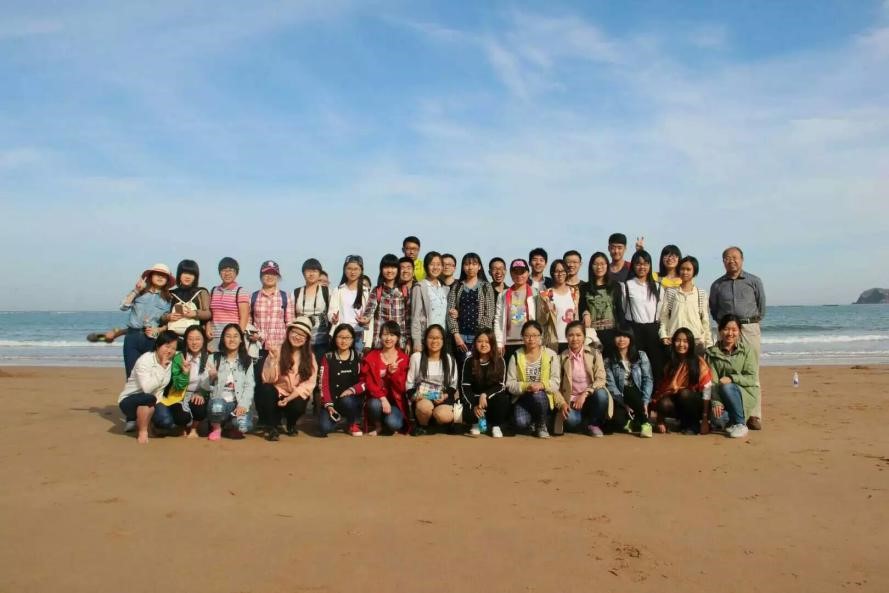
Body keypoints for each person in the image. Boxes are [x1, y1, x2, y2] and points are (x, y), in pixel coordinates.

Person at [709, 246, 766, 430]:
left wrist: (749, 323)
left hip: (748, 327)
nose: (731, 260)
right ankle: (731, 410)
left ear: (742, 259)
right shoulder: (717, 285)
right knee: (723, 371)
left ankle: (754, 415)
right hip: (726, 329)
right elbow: (714, 309)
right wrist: (725, 326)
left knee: (751, 371)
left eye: (735, 257)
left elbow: (761, 307)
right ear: (723, 261)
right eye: (727, 258)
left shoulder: (754, 281)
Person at [255, 317, 317, 441]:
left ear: (307, 339)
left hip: (294, 395)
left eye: (302, 335)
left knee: (300, 402)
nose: (298, 337)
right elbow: (267, 379)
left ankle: (291, 424)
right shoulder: (277, 351)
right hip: (277, 393)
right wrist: (273, 360)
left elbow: (308, 384)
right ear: (288, 332)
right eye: (295, 332)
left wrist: (288, 398)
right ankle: (272, 427)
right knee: (265, 389)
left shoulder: (310, 357)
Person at [117, 330, 178, 443]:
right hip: (130, 400)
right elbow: (147, 389)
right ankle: (143, 431)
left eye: (173, 348)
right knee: (148, 398)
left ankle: (149, 421)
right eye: (167, 346)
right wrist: (161, 367)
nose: (170, 351)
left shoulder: (170, 361)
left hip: (154, 400)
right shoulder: (145, 360)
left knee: (166, 422)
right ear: (158, 345)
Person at [706, 315, 759, 439]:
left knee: (727, 387)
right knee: (717, 419)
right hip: (722, 397)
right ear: (720, 331)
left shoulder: (747, 351)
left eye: (734, 330)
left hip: (744, 393)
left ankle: (740, 424)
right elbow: (712, 381)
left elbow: (751, 378)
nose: (730, 333)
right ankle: (733, 421)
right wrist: (716, 402)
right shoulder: (711, 353)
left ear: (739, 332)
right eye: (726, 329)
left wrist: (732, 378)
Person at [505, 321, 560, 438]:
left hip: (544, 397)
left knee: (538, 395)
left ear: (540, 336)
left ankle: (542, 424)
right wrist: (526, 386)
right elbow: (509, 384)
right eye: (527, 335)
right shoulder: (516, 356)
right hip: (523, 397)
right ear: (522, 337)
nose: (531, 339)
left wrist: (542, 385)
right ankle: (535, 422)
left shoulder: (551, 355)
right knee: (521, 422)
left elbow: (556, 382)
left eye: (535, 335)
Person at [653, 328, 713, 434]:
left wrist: (705, 419)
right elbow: (663, 390)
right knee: (664, 403)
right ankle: (682, 423)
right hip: (678, 402)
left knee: (685, 393)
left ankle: (693, 426)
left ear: (691, 344)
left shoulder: (698, 362)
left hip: (699, 404)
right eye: (678, 341)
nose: (681, 344)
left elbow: (707, 390)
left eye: (685, 341)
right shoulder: (670, 363)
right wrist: (660, 420)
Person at [118, 263, 174, 377]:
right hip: (132, 337)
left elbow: (170, 323)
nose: (160, 277)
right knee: (132, 375)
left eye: (164, 275)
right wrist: (136, 290)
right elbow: (123, 307)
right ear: (150, 276)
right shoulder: (140, 292)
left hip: (152, 339)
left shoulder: (169, 299)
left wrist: (158, 330)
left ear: (167, 280)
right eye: (157, 274)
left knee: (149, 376)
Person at [557, 321, 611, 437]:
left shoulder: (594, 354)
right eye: (571, 335)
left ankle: (593, 424)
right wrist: (562, 403)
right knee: (572, 421)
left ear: (584, 337)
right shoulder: (561, 357)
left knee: (602, 395)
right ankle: (584, 422)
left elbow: (601, 379)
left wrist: (585, 394)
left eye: (578, 335)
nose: (574, 339)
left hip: (591, 396)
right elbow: (557, 385)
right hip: (572, 401)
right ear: (566, 337)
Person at [620, 250, 666, 384]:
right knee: (636, 366)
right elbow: (624, 307)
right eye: (638, 264)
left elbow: (661, 311)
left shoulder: (658, 286)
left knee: (656, 365)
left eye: (646, 263)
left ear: (650, 266)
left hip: (653, 330)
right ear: (633, 266)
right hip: (634, 330)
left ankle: (656, 394)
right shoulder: (627, 286)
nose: (642, 267)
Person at [406, 325, 459, 435]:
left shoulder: (449, 359)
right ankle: (423, 425)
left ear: (443, 340)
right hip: (423, 399)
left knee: (443, 415)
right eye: (431, 337)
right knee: (424, 407)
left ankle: (443, 423)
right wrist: (415, 396)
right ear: (425, 340)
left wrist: (444, 395)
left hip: (443, 399)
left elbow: (453, 385)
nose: (434, 341)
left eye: (438, 338)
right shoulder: (416, 357)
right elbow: (409, 383)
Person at [205, 323, 255, 440]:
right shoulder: (214, 358)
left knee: (243, 426)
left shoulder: (247, 360)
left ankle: (230, 426)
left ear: (241, 340)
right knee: (217, 406)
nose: (232, 339)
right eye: (228, 336)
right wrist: (211, 377)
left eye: (235, 336)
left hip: (237, 404)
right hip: (218, 402)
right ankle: (216, 428)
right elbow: (204, 386)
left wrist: (243, 405)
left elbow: (249, 385)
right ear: (223, 339)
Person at [360, 321, 410, 435]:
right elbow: (368, 383)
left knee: (393, 423)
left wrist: (393, 374)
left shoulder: (403, 358)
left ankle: (388, 423)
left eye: (392, 335)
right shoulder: (371, 356)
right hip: (377, 399)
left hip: (396, 402)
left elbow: (402, 388)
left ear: (398, 337)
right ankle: (378, 426)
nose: (388, 338)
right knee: (374, 404)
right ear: (380, 336)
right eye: (385, 334)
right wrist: (383, 399)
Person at [161, 325, 211, 437]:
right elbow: (176, 385)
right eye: (190, 339)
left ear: (203, 340)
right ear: (186, 341)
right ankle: (182, 427)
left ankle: (194, 429)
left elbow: (211, 384)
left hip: (199, 394)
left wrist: (201, 393)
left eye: (198, 339)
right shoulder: (179, 357)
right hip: (179, 394)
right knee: (181, 417)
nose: (194, 342)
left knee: (199, 407)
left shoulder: (209, 357)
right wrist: (184, 373)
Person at [605, 326, 654, 438]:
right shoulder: (609, 360)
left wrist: (645, 401)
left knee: (630, 389)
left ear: (631, 338)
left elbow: (648, 379)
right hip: (619, 397)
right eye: (618, 336)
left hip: (638, 395)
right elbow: (611, 385)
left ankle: (645, 423)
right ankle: (636, 421)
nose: (621, 339)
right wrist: (624, 404)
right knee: (618, 422)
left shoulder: (641, 355)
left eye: (625, 336)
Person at [318, 324, 366, 437]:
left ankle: (352, 423)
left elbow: (365, 381)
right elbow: (323, 383)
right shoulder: (328, 357)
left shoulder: (359, 357)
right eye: (340, 337)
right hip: (332, 401)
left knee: (347, 401)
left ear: (352, 340)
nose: (343, 341)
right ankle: (340, 420)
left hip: (352, 400)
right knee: (324, 428)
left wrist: (352, 390)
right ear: (334, 338)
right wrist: (328, 405)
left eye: (347, 338)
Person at [446, 252, 496, 360]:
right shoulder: (457, 286)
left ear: (479, 267)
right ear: (463, 267)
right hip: (461, 338)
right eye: (467, 264)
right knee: (462, 366)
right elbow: (450, 312)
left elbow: (489, 313)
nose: (470, 267)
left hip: (480, 339)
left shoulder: (486, 287)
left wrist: (480, 338)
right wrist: (456, 335)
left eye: (474, 264)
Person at [459, 328, 507, 437]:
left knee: (502, 398)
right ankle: (475, 423)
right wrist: (474, 405)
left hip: (490, 398)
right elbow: (465, 386)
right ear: (475, 343)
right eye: (480, 341)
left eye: (487, 342)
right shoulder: (469, 361)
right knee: (465, 402)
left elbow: (500, 385)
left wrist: (485, 395)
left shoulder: (499, 360)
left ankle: (495, 425)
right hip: (474, 399)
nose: (483, 345)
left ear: (492, 344)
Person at [659, 256, 712, 353]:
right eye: (682, 269)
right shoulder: (671, 292)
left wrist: (708, 343)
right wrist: (664, 335)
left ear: (694, 271)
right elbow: (664, 317)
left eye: (688, 269)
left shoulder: (701, 293)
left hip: (696, 341)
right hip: (675, 341)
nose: (685, 272)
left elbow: (705, 320)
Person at [249, 260, 292, 378]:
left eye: (273, 273)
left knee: (278, 381)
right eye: (266, 273)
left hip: (279, 349)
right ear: (260, 276)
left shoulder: (285, 297)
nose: (269, 276)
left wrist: (288, 348)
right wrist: (252, 335)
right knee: (259, 382)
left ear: (278, 277)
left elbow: (289, 323)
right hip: (258, 348)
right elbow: (248, 321)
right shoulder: (253, 297)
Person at [359, 254, 410, 351]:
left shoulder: (404, 291)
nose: (389, 270)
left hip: (400, 343)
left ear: (398, 270)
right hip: (380, 344)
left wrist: (408, 341)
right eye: (386, 267)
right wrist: (364, 319)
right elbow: (369, 312)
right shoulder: (377, 290)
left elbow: (408, 319)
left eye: (393, 267)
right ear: (381, 270)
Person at [493, 259, 540, 362]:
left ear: (528, 273)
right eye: (515, 272)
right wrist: (499, 343)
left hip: (529, 342)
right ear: (511, 274)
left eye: (522, 272)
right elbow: (498, 319)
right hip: (509, 343)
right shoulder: (503, 294)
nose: (519, 275)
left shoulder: (536, 293)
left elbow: (540, 319)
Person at [579, 251, 619, 357]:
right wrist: (585, 313)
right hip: (592, 335)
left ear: (607, 265)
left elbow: (619, 310)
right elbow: (582, 306)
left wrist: (620, 333)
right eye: (596, 264)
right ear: (591, 267)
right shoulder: (584, 287)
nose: (599, 267)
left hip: (612, 333)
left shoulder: (615, 286)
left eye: (602, 264)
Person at [327, 255, 370, 353]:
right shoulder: (338, 290)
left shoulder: (366, 291)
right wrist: (333, 318)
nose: (352, 272)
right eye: (349, 268)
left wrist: (365, 320)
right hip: (342, 333)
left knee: (357, 360)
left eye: (356, 269)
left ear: (361, 271)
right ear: (344, 270)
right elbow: (331, 312)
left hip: (359, 333)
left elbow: (369, 315)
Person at [206, 257, 250, 353]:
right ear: (219, 272)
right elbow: (209, 313)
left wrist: (238, 337)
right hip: (214, 337)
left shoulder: (240, 291)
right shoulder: (213, 290)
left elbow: (244, 318)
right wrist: (208, 327)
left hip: (231, 339)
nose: (227, 273)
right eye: (224, 270)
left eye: (231, 270)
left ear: (236, 273)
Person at [293, 258, 330, 365]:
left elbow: (332, 312)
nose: (311, 274)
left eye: (315, 271)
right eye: (308, 271)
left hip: (321, 341)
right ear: (303, 273)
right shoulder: (296, 292)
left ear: (319, 273)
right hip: (301, 341)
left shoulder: (326, 291)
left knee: (320, 370)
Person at [410, 252, 449, 353]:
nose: (435, 267)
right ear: (426, 266)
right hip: (426, 338)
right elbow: (415, 316)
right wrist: (417, 342)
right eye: (432, 264)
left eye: (438, 264)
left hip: (442, 338)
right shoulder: (420, 287)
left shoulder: (445, 289)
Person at [166, 259, 211, 341]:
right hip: (174, 338)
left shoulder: (201, 292)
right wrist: (168, 317)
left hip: (196, 338)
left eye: (191, 274)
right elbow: (161, 315)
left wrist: (195, 313)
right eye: (185, 273)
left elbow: (208, 313)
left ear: (195, 276)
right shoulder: (171, 293)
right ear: (179, 274)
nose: (188, 277)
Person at [538, 259, 576, 353]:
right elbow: (540, 320)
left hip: (573, 340)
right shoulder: (545, 294)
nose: (560, 274)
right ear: (552, 273)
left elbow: (577, 316)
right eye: (556, 271)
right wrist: (546, 310)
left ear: (567, 272)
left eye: (563, 271)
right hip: (553, 340)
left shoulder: (574, 292)